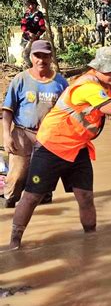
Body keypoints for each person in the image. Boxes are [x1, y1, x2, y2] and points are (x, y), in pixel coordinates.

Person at [9, 47, 111, 250]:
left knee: (86, 196)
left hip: (78, 147)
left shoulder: (110, 86)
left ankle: (91, 240)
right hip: (52, 147)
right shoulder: (87, 87)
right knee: (33, 196)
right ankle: (14, 243)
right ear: (97, 69)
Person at [1, 40, 69, 209]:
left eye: (45, 56)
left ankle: (45, 208)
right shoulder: (20, 79)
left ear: (51, 57)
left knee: (43, 182)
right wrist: (6, 135)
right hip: (22, 134)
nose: (41, 60)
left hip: (49, 138)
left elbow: (68, 113)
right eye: (37, 55)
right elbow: (8, 110)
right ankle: (9, 203)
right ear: (31, 57)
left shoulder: (61, 83)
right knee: (17, 177)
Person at [20, 0, 46, 68]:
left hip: (33, 39)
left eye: (29, 5)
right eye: (27, 5)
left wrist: (36, 36)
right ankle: (31, 69)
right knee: (24, 56)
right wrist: (28, 32)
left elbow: (43, 28)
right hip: (25, 37)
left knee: (26, 54)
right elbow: (23, 26)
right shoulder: (26, 14)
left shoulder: (39, 15)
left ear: (34, 5)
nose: (28, 7)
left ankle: (33, 69)